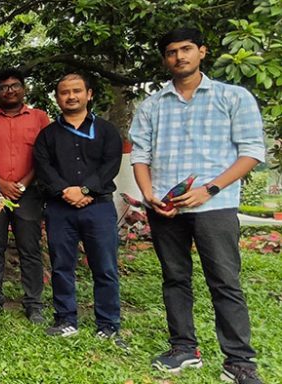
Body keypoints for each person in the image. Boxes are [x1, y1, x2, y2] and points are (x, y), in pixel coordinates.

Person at [131, 28, 265, 384]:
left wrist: (210, 188)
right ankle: (183, 348)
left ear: (202, 52)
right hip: (165, 208)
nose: (180, 57)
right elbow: (141, 156)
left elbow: (252, 151)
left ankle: (238, 360)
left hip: (215, 206)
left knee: (224, 281)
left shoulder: (232, 97)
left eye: (187, 49)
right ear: (166, 59)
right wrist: (148, 194)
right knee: (175, 278)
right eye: (172, 51)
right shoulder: (152, 105)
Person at [33, 74, 126, 347]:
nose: (70, 96)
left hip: (98, 208)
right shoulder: (48, 135)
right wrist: (66, 191)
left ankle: (108, 324)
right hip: (60, 209)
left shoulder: (107, 131)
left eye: (76, 91)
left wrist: (85, 191)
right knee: (62, 266)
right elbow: (44, 168)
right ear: (57, 98)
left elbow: (110, 165)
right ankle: (65, 320)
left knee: (105, 267)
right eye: (64, 92)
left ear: (89, 94)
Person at [0, 67, 50, 322]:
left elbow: (44, 155)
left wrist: (22, 185)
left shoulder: (39, 118)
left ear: (23, 88)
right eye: (4, 88)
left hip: (27, 194)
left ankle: (34, 303)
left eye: (15, 85)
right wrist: (1, 183)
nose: (10, 91)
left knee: (30, 249)